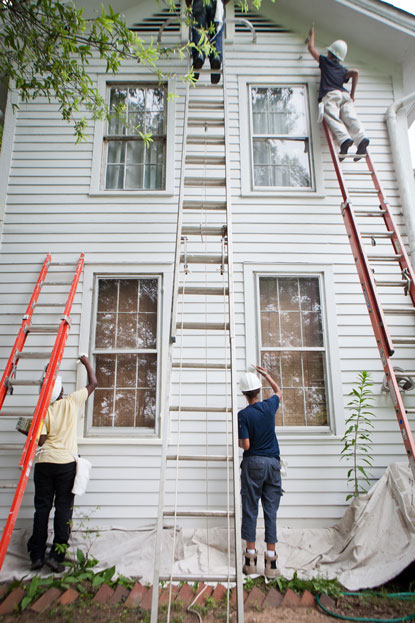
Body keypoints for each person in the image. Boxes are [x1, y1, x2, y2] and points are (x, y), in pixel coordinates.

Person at [27, 355, 97, 573]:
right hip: (65, 464)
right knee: (63, 509)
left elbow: (40, 441)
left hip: (44, 463)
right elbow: (94, 383)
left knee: (42, 509)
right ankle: (56, 556)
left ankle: (37, 556)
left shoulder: (43, 410)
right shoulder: (71, 402)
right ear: (61, 392)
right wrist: (86, 363)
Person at [238, 366, 282, 578]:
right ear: (258, 390)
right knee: (270, 510)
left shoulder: (244, 415)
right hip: (273, 464)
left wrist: (239, 441)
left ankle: (251, 560)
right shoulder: (269, 405)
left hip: (253, 463)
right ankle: (271, 564)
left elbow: (246, 446)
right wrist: (267, 376)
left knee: (250, 508)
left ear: (244, 394)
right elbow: (279, 392)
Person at [307, 26, 370, 161]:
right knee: (351, 118)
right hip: (344, 96)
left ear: (330, 53)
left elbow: (311, 49)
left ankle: (344, 140)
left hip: (332, 95)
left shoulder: (325, 62)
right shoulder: (342, 69)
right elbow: (355, 73)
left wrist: (311, 35)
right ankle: (362, 139)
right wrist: (352, 95)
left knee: (333, 117)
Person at [185, 0, 230, 84]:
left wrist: (189, 5)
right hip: (216, 3)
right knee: (216, 31)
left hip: (199, 2)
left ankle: (199, 55)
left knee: (199, 29)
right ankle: (215, 57)